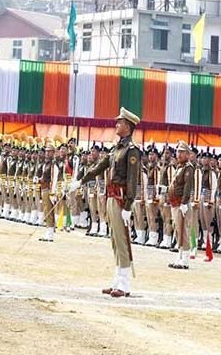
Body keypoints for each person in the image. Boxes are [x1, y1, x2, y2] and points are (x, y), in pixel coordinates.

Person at [72, 107, 141, 298]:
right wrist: (81, 180)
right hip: (111, 197)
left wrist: (128, 206)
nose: (116, 124)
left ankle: (125, 285)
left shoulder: (132, 151)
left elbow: (132, 181)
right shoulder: (116, 149)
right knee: (114, 241)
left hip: (121, 200)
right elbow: (98, 167)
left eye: (119, 122)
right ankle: (117, 279)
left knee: (121, 241)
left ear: (127, 126)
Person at [168, 141, 195, 269]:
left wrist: (184, 202)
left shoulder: (188, 168)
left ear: (188, 154)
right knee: (178, 230)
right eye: (178, 151)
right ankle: (179, 256)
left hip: (181, 203)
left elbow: (187, 187)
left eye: (182, 152)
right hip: (175, 203)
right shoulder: (179, 167)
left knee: (184, 230)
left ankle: (185, 259)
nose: (178, 154)